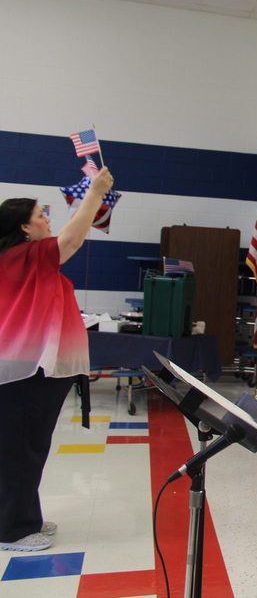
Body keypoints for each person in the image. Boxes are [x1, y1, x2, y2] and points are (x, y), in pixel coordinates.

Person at [0, 167, 114, 552]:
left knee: (28, 445)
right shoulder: (23, 256)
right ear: (24, 229)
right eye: (40, 215)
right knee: (20, 448)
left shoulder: (26, 257)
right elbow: (73, 237)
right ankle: (11, 530)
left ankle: (23, 516)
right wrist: (95, 192)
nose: (47, 219)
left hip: (36, 371)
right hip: (25, 370)